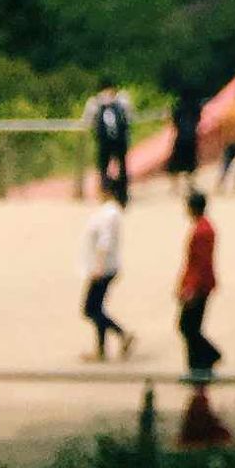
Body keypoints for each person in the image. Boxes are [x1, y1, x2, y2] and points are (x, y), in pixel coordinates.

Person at [80, 189, 132, 359]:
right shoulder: (112, 213)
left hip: (103, 269)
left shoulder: (107, 215)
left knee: (90, 309)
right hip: (107, 267)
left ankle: (122, 334)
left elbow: (105, 241)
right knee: (97, 308)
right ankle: (101, 349)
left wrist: (98, 267)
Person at [176, 188, 221, 377]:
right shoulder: (204, 227)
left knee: (187, 326)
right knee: (191, 326)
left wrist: (190, 288)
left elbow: (199, 263)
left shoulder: (201, 231)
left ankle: (204, 359)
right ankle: (200, 362)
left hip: (198, 286)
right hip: (200, 283)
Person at [82, 80, 131, 203]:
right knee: (122, 167)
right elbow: (129, 118)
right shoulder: (122, 100)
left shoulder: (94, 102)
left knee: (103, 168)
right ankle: (122, 194)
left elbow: (87, 122)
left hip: (103, 142)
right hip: (120, 141)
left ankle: (105, 193)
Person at [167, 87, 202, 189]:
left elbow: (174, 122)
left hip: (180, 137)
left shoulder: (177, 107)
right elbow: (198, 120)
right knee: (191, 162)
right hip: (192, 137)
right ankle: (190, 183)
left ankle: (175, 185)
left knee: (175, 162)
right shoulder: (195, 107)